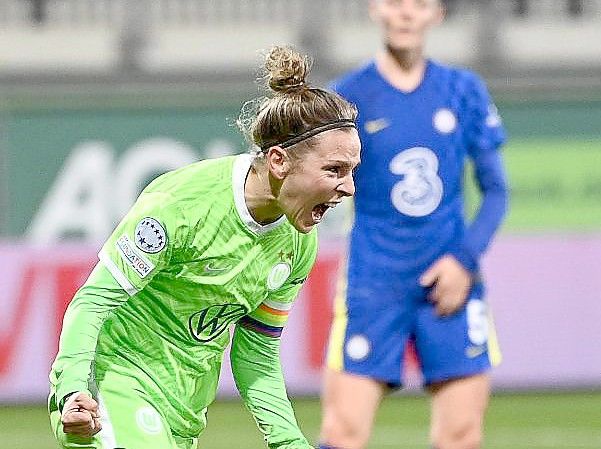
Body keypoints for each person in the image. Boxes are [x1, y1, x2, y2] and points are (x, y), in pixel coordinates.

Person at [48, 45, 360, 449]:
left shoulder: (297, 243)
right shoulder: (181, 206)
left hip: (183, 415)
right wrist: (72, 390)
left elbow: (257, 351)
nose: (349, 187)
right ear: (280, 161)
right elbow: (93, 301)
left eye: (353, 171)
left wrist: (288, 441)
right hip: (108, 393)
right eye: (334, 170)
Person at [318, 1, 508, 448]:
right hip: (374, 281)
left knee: (460, 435)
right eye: (394, 1)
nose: (405, 13)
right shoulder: (348, 97)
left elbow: (496, 191)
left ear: (436, 14)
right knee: (342, 432)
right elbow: (323, 186)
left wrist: (463, 262)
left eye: (419, 3)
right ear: (374, 9)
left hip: (451, 283)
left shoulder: (463, 90)